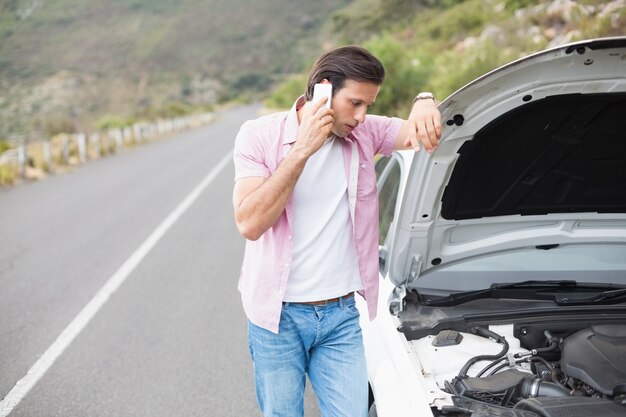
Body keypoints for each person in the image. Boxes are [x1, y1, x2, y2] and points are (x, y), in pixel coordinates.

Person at [232, 45, 442, 417]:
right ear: (323, 89)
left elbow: (420, 132)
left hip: (340, 316)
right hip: (275, 317)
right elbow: (249, 223)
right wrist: (302, 151)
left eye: (369, 106)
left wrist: (425, 100)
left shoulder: (363, 133)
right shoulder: (259, 136)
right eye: (355, 103)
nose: (362, 117)